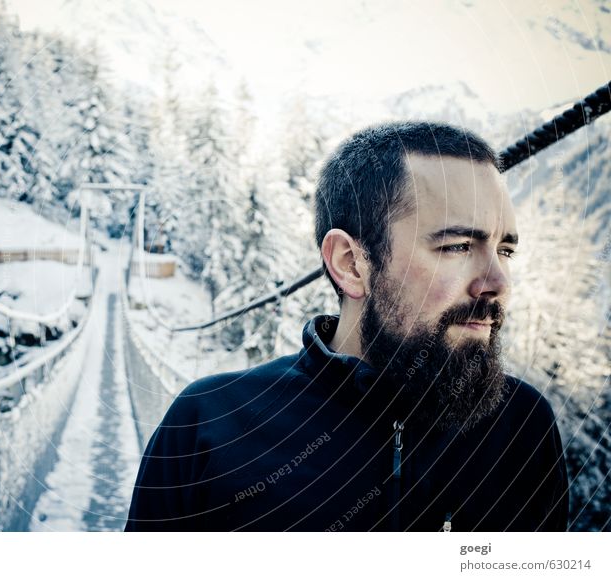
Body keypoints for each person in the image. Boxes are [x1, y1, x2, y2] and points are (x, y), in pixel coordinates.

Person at [124, 121, 570, 532]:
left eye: (505, 251)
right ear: (351, 264)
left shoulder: (523, 429)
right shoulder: (208, 422)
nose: (497, 283)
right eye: (457, 247)